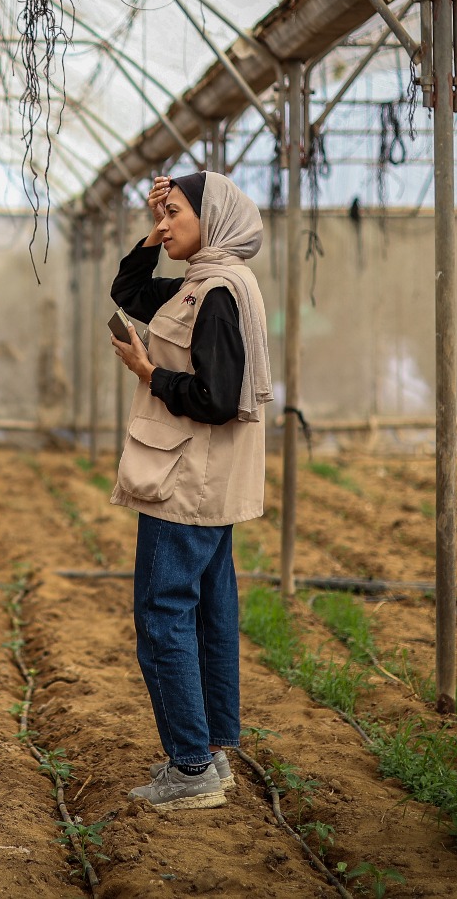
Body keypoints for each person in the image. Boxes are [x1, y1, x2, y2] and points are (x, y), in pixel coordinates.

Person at [107, 169, 273, 812]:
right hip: (203, 480)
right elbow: (129, 289)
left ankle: (192, 765)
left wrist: (150, 373)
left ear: (215, 220)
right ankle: (210, 746)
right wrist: (155, 230)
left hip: (186, 481)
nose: (166, 221)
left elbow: (216, 398)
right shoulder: (202, 284)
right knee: (209, 612)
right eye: (163, 213)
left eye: (176, 212)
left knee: (163, 616)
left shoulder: (219, 292)